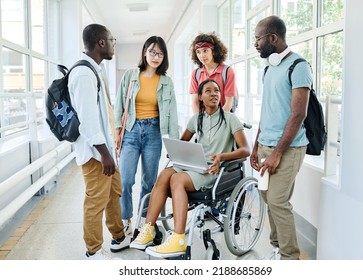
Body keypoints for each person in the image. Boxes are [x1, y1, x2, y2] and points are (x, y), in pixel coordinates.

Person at [129, 79, 250, 258]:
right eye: (208, 91)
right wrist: (177, 152)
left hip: (214, 172)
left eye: (217, 90)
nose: (214, 94)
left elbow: (245, 150)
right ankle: (148, 229)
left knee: (176, 179)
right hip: (195, 166)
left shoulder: (230, 119)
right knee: (164, 175)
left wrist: (222, 156)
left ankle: (178, 240)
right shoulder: (197, 119)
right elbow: (183, 142)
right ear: (200, 97)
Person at [250, 16, 312, 260]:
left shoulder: (299, 67)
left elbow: (298, 114)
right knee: (266, 196)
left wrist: (276, 153)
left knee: (277, 200)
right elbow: (267, 111)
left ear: (272, 38)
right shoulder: (269, 68)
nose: (255, 44)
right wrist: (256, 146)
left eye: (258, 38)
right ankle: (277, 247)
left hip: (289, 148)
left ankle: (290, 258)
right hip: (266, 145)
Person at [68, 24, 130, 260]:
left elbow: (102, 114)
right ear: (101, 42)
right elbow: (88, 121)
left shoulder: (95, 70)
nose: (114, 44)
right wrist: (104, 153)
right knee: (95, 201)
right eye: (112, 40)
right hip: (96, 154)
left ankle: (119, 236)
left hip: (105, 150)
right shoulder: (83, 73)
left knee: (114, 192)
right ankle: (93, 251)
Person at [114, 36, 179, 237]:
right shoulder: (131, 75)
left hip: (154, 132)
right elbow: (119, 105)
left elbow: (173, 113)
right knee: (125, 179)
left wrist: (175, 146)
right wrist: (117, 130)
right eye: (152, 51)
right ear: (144, 52)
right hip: (131, 131)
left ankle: (144, 221)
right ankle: (126, 219)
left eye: (160, 53)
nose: (156, 57)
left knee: (149, 181)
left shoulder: (167, 82)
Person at [189, 32, 237, 113]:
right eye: (198, 52)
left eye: (205, 51)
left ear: (213, 51)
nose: (202, 55)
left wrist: (218, 122)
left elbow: (228, 103)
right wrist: (198, 121)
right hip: (203, 120)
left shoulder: (227, 71)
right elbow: (195, 102)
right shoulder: (195, 74)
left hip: (223, 118)